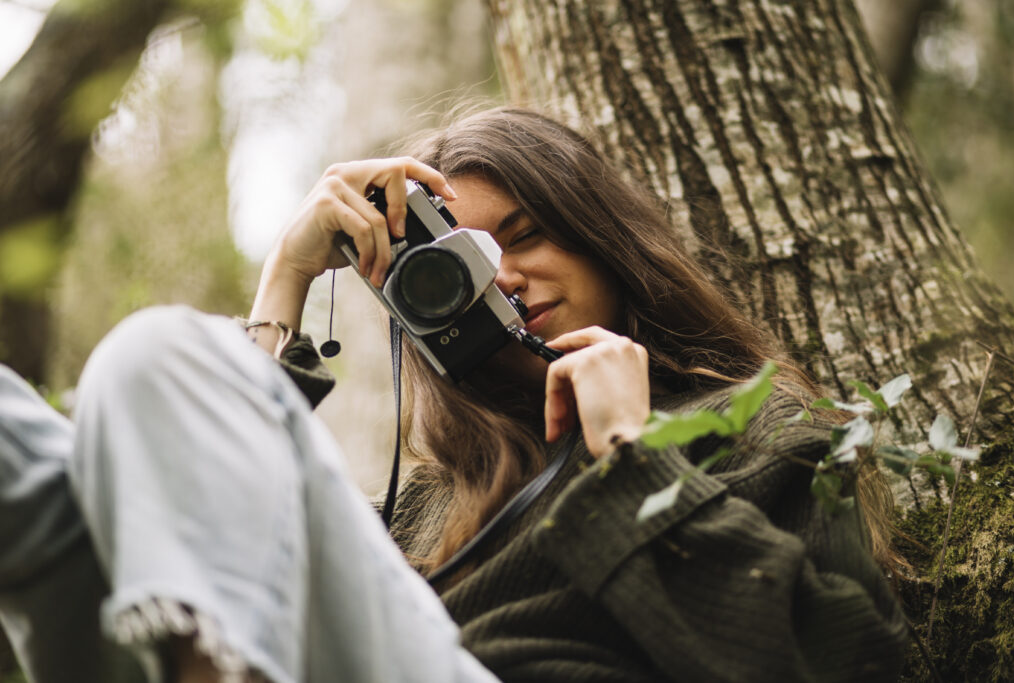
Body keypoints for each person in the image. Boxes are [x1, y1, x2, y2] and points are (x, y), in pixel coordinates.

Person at [0, 107, 908, 683]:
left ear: (605, 240)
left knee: (158, 350)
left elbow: (844, 659)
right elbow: (235, 529)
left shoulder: (758, 430)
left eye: (528, 235)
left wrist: (635, 463)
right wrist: (285, 273)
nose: (505, 277)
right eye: (464, 261)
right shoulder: (438, 497)